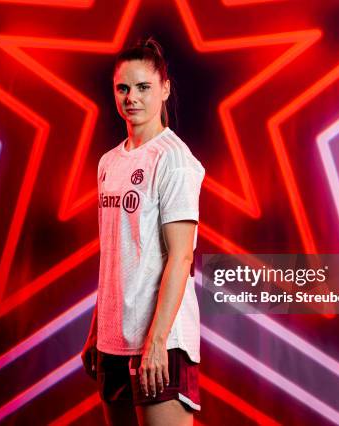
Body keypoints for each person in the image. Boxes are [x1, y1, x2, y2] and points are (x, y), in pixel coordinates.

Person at [81, 37, 205, 426]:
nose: (131, 97)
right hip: (114, 341)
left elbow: (181, 257)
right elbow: (117, 257)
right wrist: (97, 329)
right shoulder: (108, 162)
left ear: (165, 89)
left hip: (160, 341)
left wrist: (156, 341)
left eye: (143, 87)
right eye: (123, 88)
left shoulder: (175, 160)